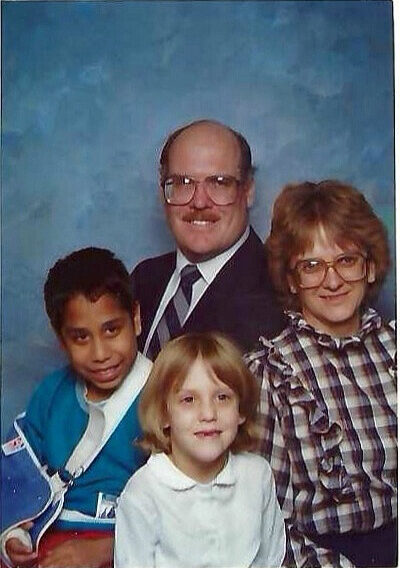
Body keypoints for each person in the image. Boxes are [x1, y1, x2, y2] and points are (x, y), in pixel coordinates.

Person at [244, 180, 397, 567]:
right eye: (311, 266)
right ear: (292, 279)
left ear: (370, 265)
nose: (332, 281)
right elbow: (266, 521)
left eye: (346, 260)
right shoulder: (271, 372)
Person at [1, 247, 152, 568]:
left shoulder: (164, 397)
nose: (100, 353)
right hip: (45, 541)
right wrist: (13, 536)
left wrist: (103, 551)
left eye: (112, 330)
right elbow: (15, 474)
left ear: (136, 319)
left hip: (123, 547)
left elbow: (185, 507)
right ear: (61, 340)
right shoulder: (51, 394)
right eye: (81, 338)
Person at [114, 332, 286, 568]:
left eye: (222, 397)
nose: (208, 414)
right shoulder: (143, 494)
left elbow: (270, 558)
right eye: (189, 400)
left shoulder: (257, 476)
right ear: (164, 414)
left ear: (241, 410)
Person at [131, 119, 285, 359]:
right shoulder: (144, 278)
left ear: (248, 191)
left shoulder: (281, 293)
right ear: (163, 193)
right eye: (182, 182)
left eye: (219, 183)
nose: (200, 202)